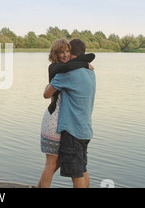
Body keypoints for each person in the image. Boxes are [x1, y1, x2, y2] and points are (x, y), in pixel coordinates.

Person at [37, 39, 95, 188]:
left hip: (69, 127)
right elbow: (46, 94)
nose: (65, 55)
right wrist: (85, 63)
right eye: (62, 52)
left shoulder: (68, 73)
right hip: (68, 125)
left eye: (68, 51)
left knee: (73, 171)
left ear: (72, 53)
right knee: (64, 166)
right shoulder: (89, 72)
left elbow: (47, 92)